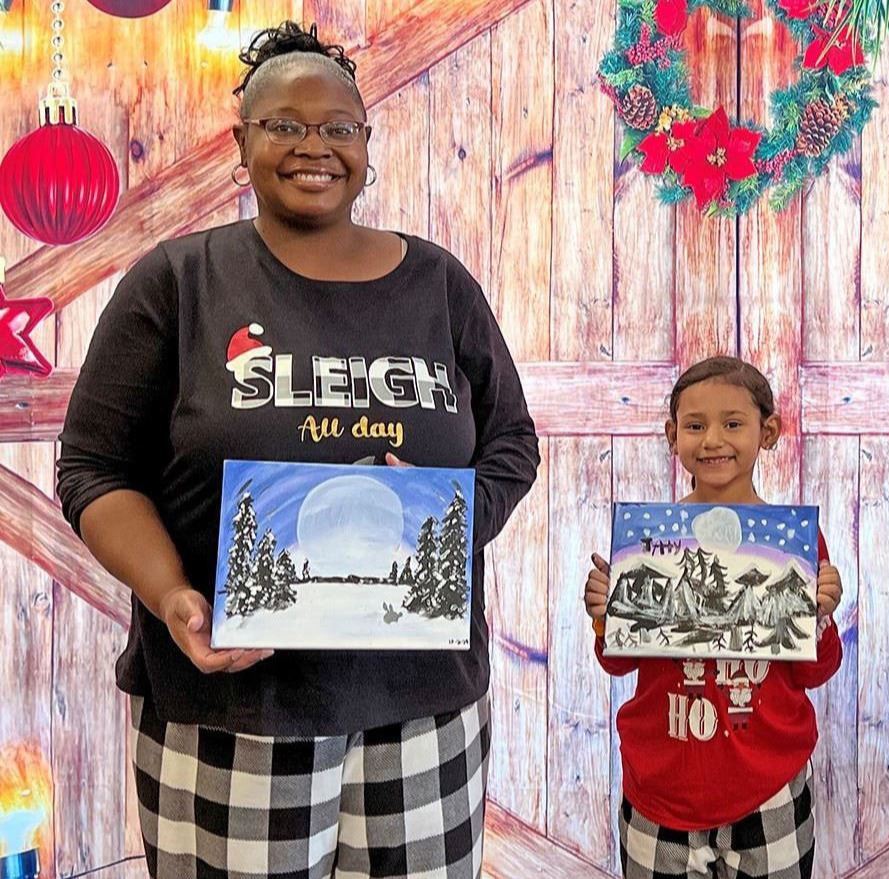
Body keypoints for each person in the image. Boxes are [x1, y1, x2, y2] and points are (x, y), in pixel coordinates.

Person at [55, 22, 539, 879]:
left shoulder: (438, 282)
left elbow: (511, 441)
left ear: (366, 143)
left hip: (424, 706)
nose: (313, 146)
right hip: (234, 706)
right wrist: (172, 596)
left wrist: (453, 523)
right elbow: (95, 469)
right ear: (241, 142)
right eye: (283, 124)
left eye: (337, 128)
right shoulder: (177, 282)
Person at [583, 356, 843, 879]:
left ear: (767, 432)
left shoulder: (792, 545)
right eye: (695, 426)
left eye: (733, 423)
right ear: (672, 435)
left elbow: (816, 671)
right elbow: (617, 664)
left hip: (769, 789)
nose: (712, 441)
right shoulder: (649, 546)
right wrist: (605, 616)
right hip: (661, 793)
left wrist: (820, 614)